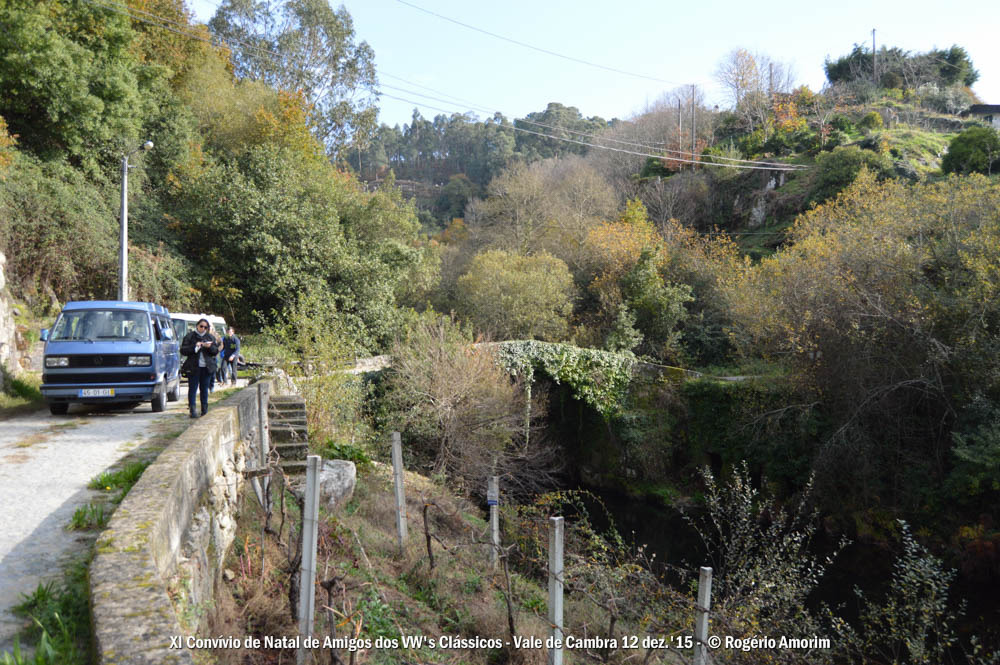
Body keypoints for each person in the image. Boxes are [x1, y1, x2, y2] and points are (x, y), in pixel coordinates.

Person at [180, 318, 218, 418]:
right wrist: (195, 346)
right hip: (193, 367)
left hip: (206, 367)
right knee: (193, 389)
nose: (203, 328)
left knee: (204, 389)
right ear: (197, 326)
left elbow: (215, 351)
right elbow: (183, 350)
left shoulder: (209, 337)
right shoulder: (190, 336)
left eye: (205, 327)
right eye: (201, 326)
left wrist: (209, 347)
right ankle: (192, 411)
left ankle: (204, 410)